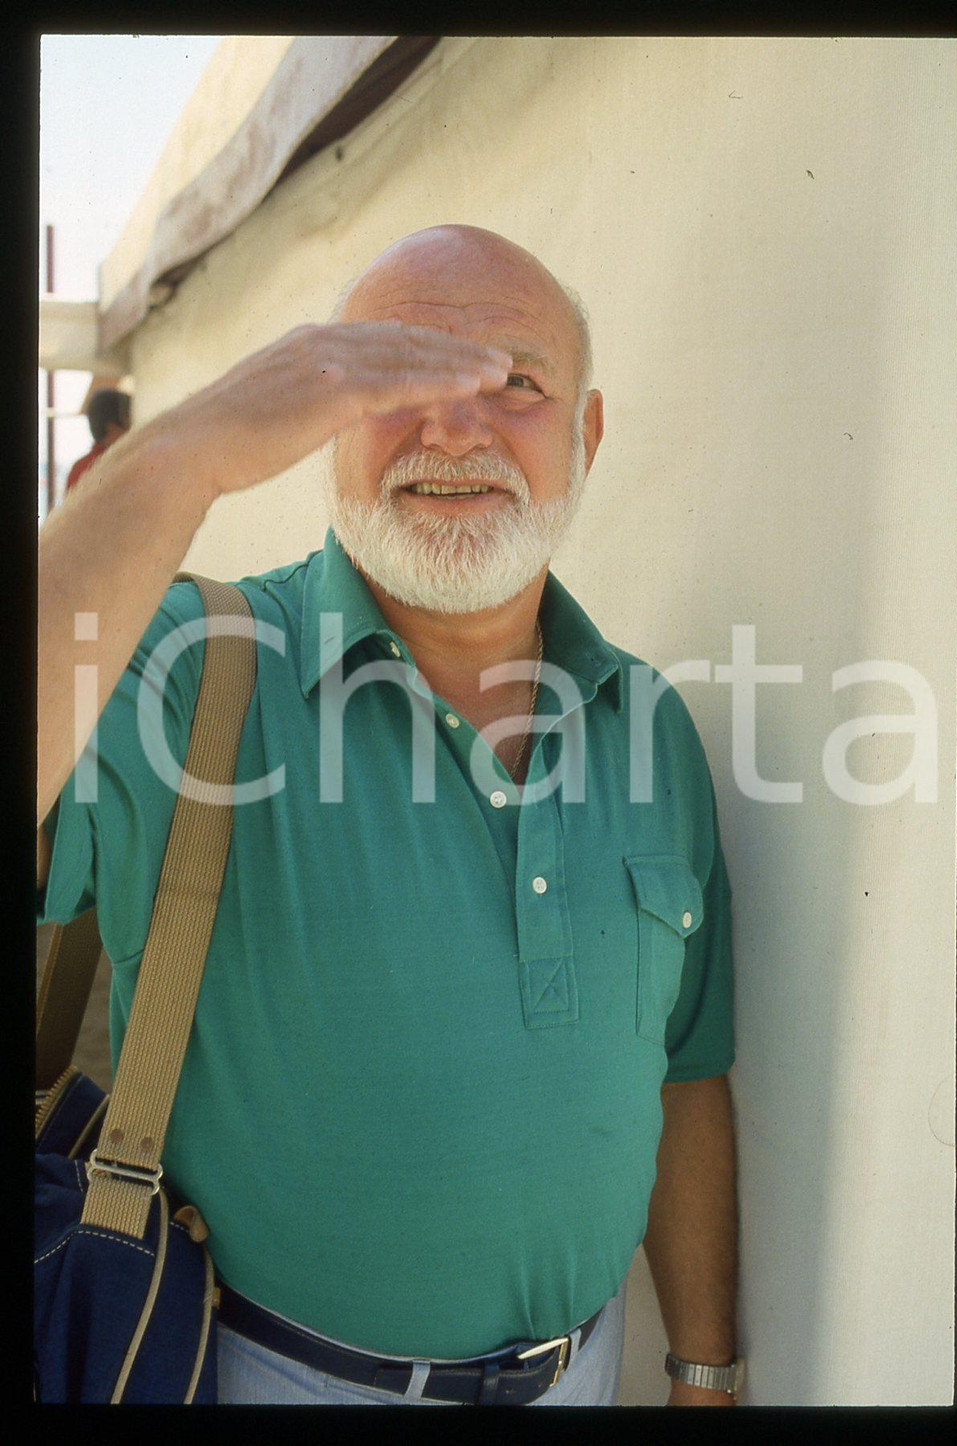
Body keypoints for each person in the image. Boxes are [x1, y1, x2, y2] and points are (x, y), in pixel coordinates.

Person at [37, 225, 741, 1406]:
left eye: (517, 382)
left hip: (587, 1373)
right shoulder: (185, 669)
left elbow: (685, 1074)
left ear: (588, 432)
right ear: (316, 424)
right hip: (260, 1374)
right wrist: (185, 456)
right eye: (389, 377)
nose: (454, 426)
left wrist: (707, 1372)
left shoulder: (652, 725)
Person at [63, 388, 132, 493]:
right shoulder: (121, 466)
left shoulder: (78, 468)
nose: (134, 430)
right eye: (129, 423)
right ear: (112, 428)